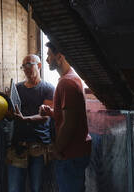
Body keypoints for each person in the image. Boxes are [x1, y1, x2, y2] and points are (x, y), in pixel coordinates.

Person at [39, 42, 92, 192]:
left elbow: (69, 124)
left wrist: (56, 149)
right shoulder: (72, 79)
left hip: (69, 153)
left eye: (49, 55)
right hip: (76, 150)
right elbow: (68, 114)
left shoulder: (66, 83)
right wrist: (50, 112)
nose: (47, 59)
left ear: (60, 57)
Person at [6, 54, 55, 192]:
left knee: (37, 188)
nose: (26, 68)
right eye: (23, 66)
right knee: (14, 189)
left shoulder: (48, 88)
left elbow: (45, 117)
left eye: (29, 64)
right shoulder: (17, 89)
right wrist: (7, 110)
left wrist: (25, 119)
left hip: (39, 146)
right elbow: (11, 116)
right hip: (18, 146)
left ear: (39, 66)